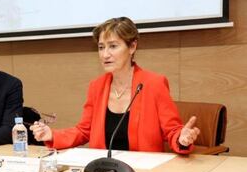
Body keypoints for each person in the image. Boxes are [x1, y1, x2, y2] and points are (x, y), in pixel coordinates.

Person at [30, 17, 199, 153]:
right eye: (101, 47)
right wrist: (52, 134)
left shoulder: (154, 83)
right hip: (103, 171)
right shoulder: (97, 87)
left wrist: (181, 138)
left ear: (132, 47)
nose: (105, 54)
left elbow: (172, 130)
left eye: (113, 46)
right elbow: (84, 131)